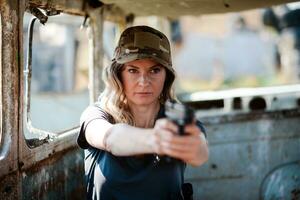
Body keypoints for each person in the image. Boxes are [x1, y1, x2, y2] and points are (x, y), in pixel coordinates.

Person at [77, 25, 209, 200]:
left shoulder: (178, 118)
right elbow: (110, 138)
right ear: (119, 75)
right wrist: (157, 140)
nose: (143, 81)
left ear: (166, 76)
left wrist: (193, 146)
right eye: (133, 70)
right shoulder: (97, 114)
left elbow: (200, 152)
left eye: (154, 70)